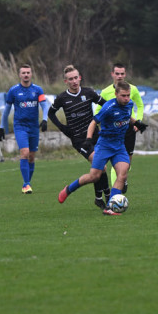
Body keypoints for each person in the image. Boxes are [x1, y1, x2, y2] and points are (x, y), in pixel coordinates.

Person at [57, 80, 135, 216]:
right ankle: (69, 189)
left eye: (128, 95)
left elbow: (128, 116)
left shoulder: (129, 105)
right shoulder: (108, 108)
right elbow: (93, 122)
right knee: (94, 176)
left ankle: (110, 207)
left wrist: (138, 123)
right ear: (116, 94)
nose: (126, 98)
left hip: (119, 146)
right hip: (104, 145)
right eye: (123, 95)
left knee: (122, 174)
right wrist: (88, 139)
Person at [48, 65, 110, 209]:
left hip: (96, 135)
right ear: (66, 81)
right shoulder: (62, 98)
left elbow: (105, 105)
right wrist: (63, 128)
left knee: (100, 169)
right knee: (100, 164)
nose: (74, 81)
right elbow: (51, 113)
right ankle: (107, 197)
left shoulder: (89, 92)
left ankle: (100, 198)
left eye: (76, 78)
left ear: (80, 77)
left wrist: (103, 119)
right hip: (79, 139)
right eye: (71, 79)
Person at [0, 64, 51, 193]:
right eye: (23, 73)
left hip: (34, 127)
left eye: (28, 72)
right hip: (20, 126)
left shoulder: (38, 90)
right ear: (19, 75)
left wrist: (45, 119)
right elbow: (6, 111)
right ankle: (26, 185)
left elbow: (44, 106)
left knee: (31, 157)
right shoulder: (13, 91)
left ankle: (27, 183)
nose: (26, 75)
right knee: (25, 153)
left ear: (31, 74)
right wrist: (1, 127)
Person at [97, 64, 146, 193]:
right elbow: (98, 111)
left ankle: (121, 181)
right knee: (115, 165)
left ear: (125, 74)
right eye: (117, 73)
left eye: (122, 74)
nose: (119, 76)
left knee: (126, 165)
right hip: (112, 133)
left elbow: (140, 105)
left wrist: (138, 122)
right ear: (112, 74)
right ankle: (116, 193)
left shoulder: (132, 89)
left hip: (129, 129)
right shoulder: (105, 92)